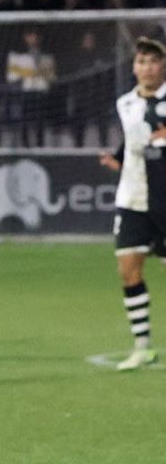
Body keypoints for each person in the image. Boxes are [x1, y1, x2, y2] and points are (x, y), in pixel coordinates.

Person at [98, 37, 166, 370]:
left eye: (153, 61)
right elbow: (132, 140)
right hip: (133, 198)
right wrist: (119, 158)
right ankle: (142, 346)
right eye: (140, 61)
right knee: (128, 270)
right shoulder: (125, 103)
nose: (146, 67)